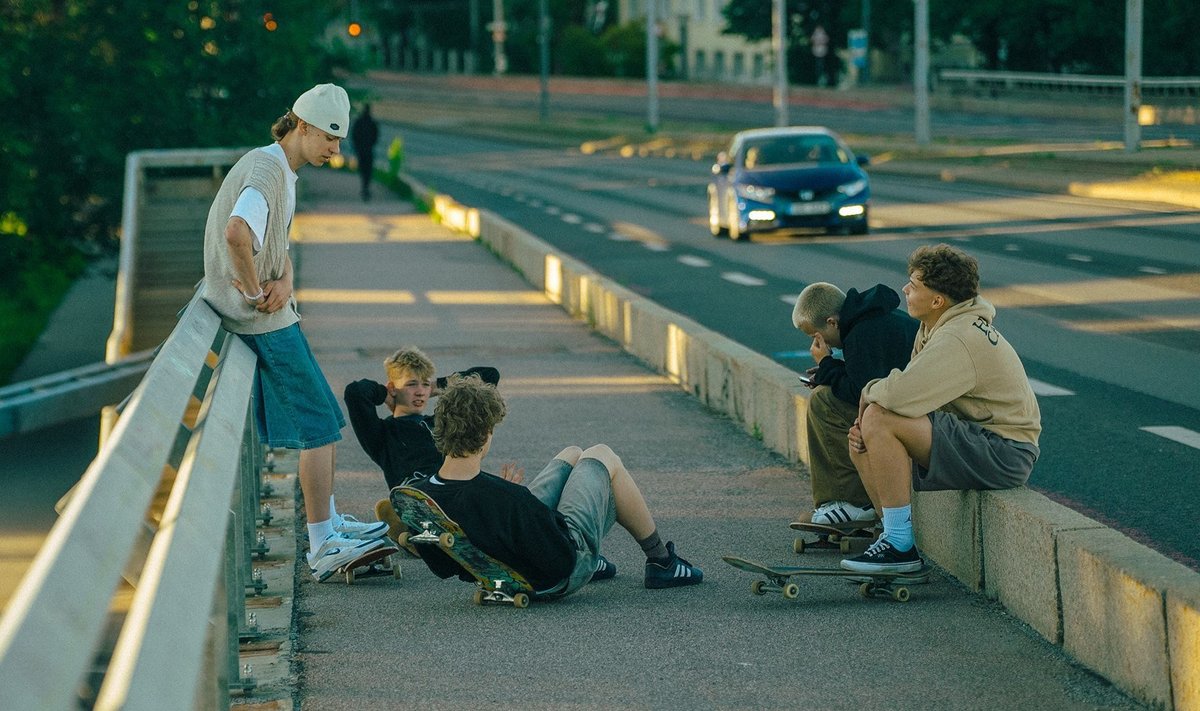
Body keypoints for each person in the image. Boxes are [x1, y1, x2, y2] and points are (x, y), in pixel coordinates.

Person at [201, 83, 389, 582]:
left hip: (271, 314)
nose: (336, 149)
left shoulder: (277, 167)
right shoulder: (267, 172)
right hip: (262, 320)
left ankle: (329, 525)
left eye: (340, 139)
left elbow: (271, 241)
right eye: (329, 137)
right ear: (301, 126)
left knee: (323, 416)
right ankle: (323, 543)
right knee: (319, 424)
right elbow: (238, 233)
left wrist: (281, 277)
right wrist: (253, 289)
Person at [406, 375, 704, 595]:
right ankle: (662, 562)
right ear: (485, 434)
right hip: (559, 571)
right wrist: (520, 499)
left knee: (573, 454)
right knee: (600, 455)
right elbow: (558, 558)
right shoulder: (503, 496)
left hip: (503, 555)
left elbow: (444, 566)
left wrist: (512, 500)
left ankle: (630, 562)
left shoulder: (425, 493)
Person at [843, 244, 1041, 574]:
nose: (905, 289)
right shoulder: (937, 327)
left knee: (877, 418)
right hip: (980, 440)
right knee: (862, 437)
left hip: (1005, 452)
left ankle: (898, 546)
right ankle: (893, 539)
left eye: (914, 285)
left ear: (938, 300)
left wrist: (867, 392)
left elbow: (902, 395)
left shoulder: (960, 337)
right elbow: (910, 396)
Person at [791, 282, 918, 527]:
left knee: (823, 402)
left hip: (914, 413)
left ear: (831, 322)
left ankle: (850, 502)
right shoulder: (871, 319)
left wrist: (827, 364)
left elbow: (862, 392)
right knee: (826, 393)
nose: (819, 343)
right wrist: (829, 370)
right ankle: (844, 502)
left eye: (816, 336)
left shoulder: (861, 333)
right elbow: (869, 377)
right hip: (910, 404)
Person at [342, 346, 498, 528]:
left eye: (425, 384)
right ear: (392, 387)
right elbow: (355, 393)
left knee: (497, 495)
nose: (420, 391)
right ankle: (414, 530)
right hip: (417, 495)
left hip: (454, 488)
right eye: (411, 384)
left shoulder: (441, 421)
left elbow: (489, 376)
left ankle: (408, 532)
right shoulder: (382, 433)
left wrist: (437, 386)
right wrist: (385, 394)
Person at [349, 103, 379, 201]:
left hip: (361, 150)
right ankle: (366, 188)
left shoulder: (359, 122)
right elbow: (376, 136)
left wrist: (357, 147)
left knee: (363, 170)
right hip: (368, 150)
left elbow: (354, 136)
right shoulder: (372, 122)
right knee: (368, 170)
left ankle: (364, 188)